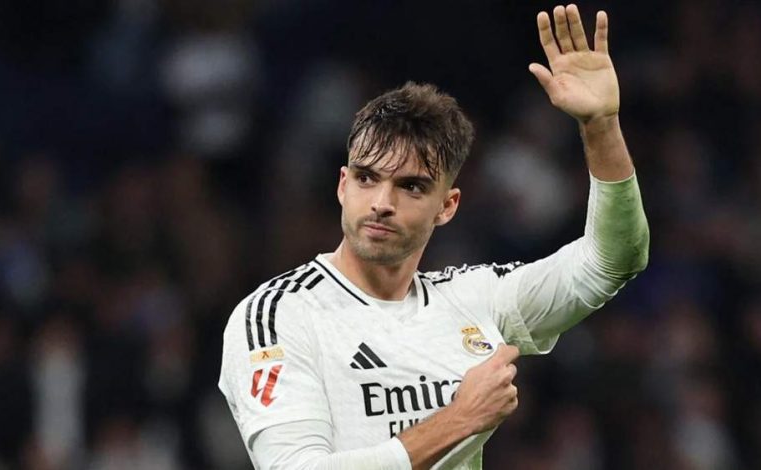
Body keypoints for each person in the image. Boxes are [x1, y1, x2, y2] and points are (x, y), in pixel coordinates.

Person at [219, 4, 649, 469]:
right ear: (343, 185)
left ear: (448, 206)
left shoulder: (476, 300)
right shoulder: (280, 315)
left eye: (411, 186)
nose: (382, 202)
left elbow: (612, 259)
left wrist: (600, 126)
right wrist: (460, 419)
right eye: (367, 178)